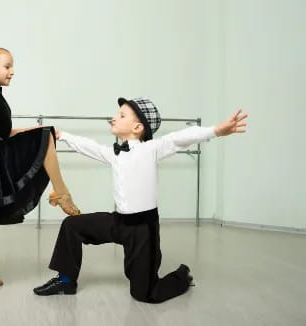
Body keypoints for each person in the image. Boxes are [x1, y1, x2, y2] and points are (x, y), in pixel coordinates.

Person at [33, 96, 247, 303]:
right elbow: (90, 147)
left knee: (145, 294)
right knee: (72, 225)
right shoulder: (114, 153)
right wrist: (62, 135)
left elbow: (181, 137)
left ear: (137, 128)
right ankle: (66, 281)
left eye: (122, 115)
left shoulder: (152, 149)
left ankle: (182, 276)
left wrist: (216, 130)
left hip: (144, 229)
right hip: (118, 222)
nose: (114, 118)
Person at [0, 10, 81, 290]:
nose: (12, 71)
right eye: (7, 66)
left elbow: (3, 131)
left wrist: (35, 131)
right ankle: (61, 192)